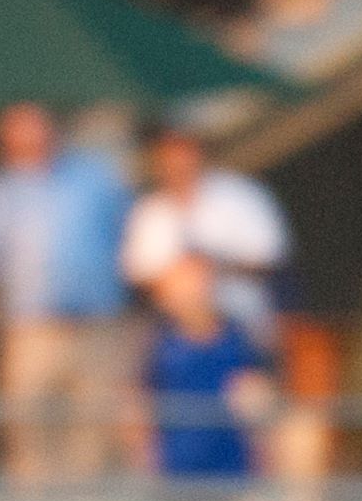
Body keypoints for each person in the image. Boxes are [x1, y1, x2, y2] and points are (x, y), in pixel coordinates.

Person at [0, 101, 135, 485]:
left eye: (36, 126)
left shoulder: (95, 178)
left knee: (96, 436)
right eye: (19, 129)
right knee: (27, 434)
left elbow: (127, 233)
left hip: (96, 328)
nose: (31, 137)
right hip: (32, 330)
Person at [120, 122, 288, 344]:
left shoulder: (240, 195)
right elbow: (136, 275)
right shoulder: (149, 212)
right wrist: (179, 277)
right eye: (168, 152)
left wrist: (213, 267)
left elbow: (272, 258)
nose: (176, 160)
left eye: (183, 150)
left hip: (243, 326)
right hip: (177, 337)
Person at [135, 251, 272, 486]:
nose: (191, 290)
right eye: (182, 282)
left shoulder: (238, 337)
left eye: (197, 280)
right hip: (175, 473)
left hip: (231, 471)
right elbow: (138, 404)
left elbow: (263, 396)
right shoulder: (156, 342)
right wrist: (145, 458)